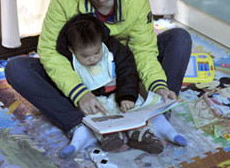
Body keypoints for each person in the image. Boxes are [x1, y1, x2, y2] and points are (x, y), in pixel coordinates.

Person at [5, 0, 192, 158]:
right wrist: (79, 93)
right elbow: (49, 50)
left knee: (179, 38)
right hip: (81, 72)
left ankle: (154, 116)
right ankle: (79, 125)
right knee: (16, 68)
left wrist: (158, 85)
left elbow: (144, 50)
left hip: (122, 70)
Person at [56, 13, 164, 154]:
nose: (93, 59)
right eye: (85, 56)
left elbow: (127, 70)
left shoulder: (113, 48)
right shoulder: (68, 61)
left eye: (97, 52)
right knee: (92, 114)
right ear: (72, 50)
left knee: (136, 106)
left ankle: (142, 134)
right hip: (95, 99)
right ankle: (109, 135)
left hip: (120, 91)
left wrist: (127, 95)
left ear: (102, 42)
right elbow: (64, 81)